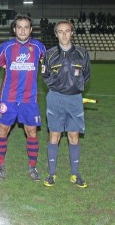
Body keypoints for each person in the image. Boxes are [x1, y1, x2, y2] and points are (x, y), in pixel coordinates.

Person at [0, 14, 46, 181]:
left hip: (29, 99)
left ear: (31, 30)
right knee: (2, 131)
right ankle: (0, 165)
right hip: (8, 98)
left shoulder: (38, 47)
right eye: (19, 27)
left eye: (26, 27)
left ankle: (32, 167)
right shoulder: (6, 47)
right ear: (14, 29)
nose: (22, 30)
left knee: (31, 132)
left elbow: (49, 65)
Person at [41, 20, 90, 188]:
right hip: (55, 98)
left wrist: (74, 88)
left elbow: (87, 75)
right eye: (60, 31)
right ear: (55, 34)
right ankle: (51, 173)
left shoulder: (82, 53)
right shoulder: (49, 54)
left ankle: (75, 174)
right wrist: (59, 86)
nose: (63, 34)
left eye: (67, 31)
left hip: (75, 99)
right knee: (54, 135)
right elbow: (45, 76)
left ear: (72, 33)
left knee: (73, 136)